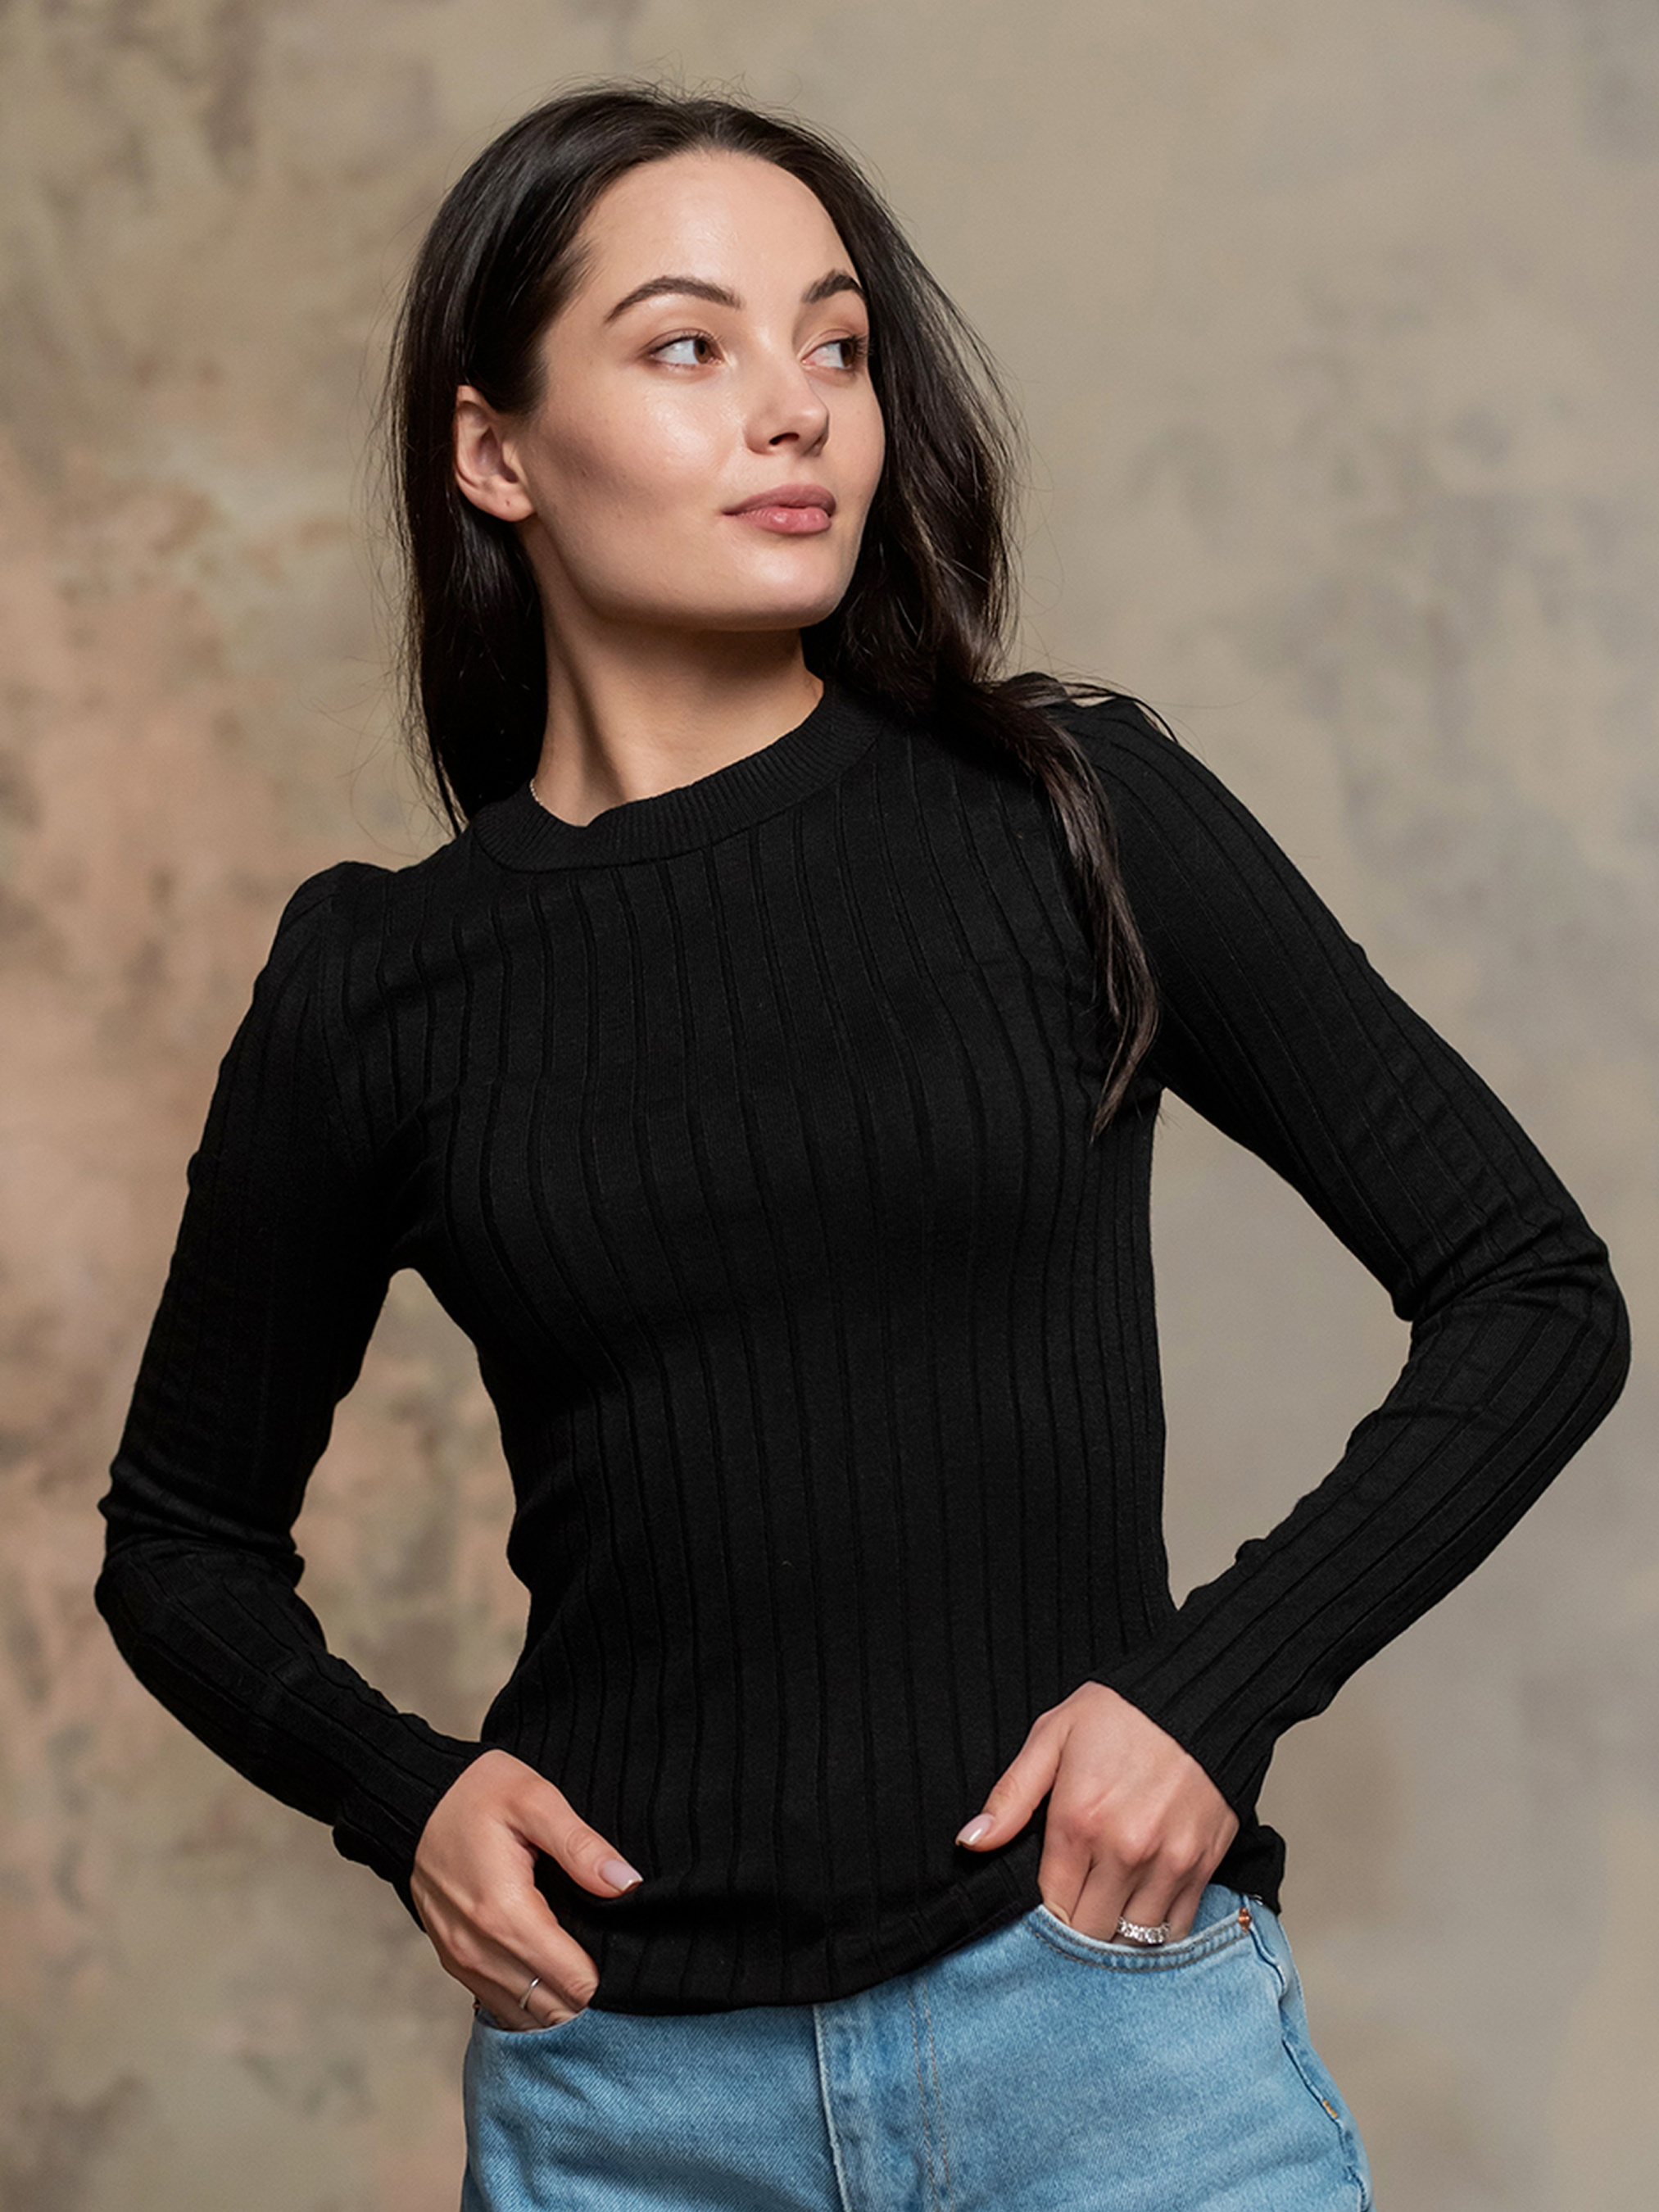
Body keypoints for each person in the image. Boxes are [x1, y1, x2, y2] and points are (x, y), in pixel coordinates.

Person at [95, 81, 1628, 2212]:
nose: (795, 405)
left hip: (1104, 2052)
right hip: (625, 2102)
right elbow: (179, 1540)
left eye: (835, 342)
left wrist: (1211, 1692)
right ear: (494, 451)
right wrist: (406, 1793)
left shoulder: (1069, 818)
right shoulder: (380, 983)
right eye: (686, 344)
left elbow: (1532, 1292)